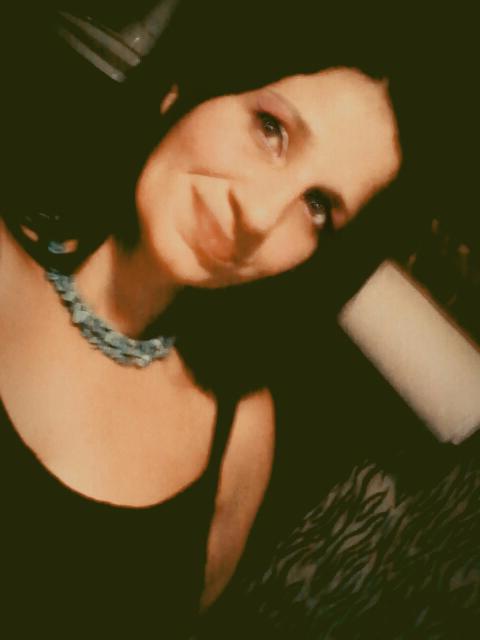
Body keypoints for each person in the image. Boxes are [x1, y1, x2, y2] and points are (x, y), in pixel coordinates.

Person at [0, 2, 452, 638]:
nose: (260, 216)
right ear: (188, 87)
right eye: (271, 129)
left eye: (318, 207)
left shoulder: (242, 434)